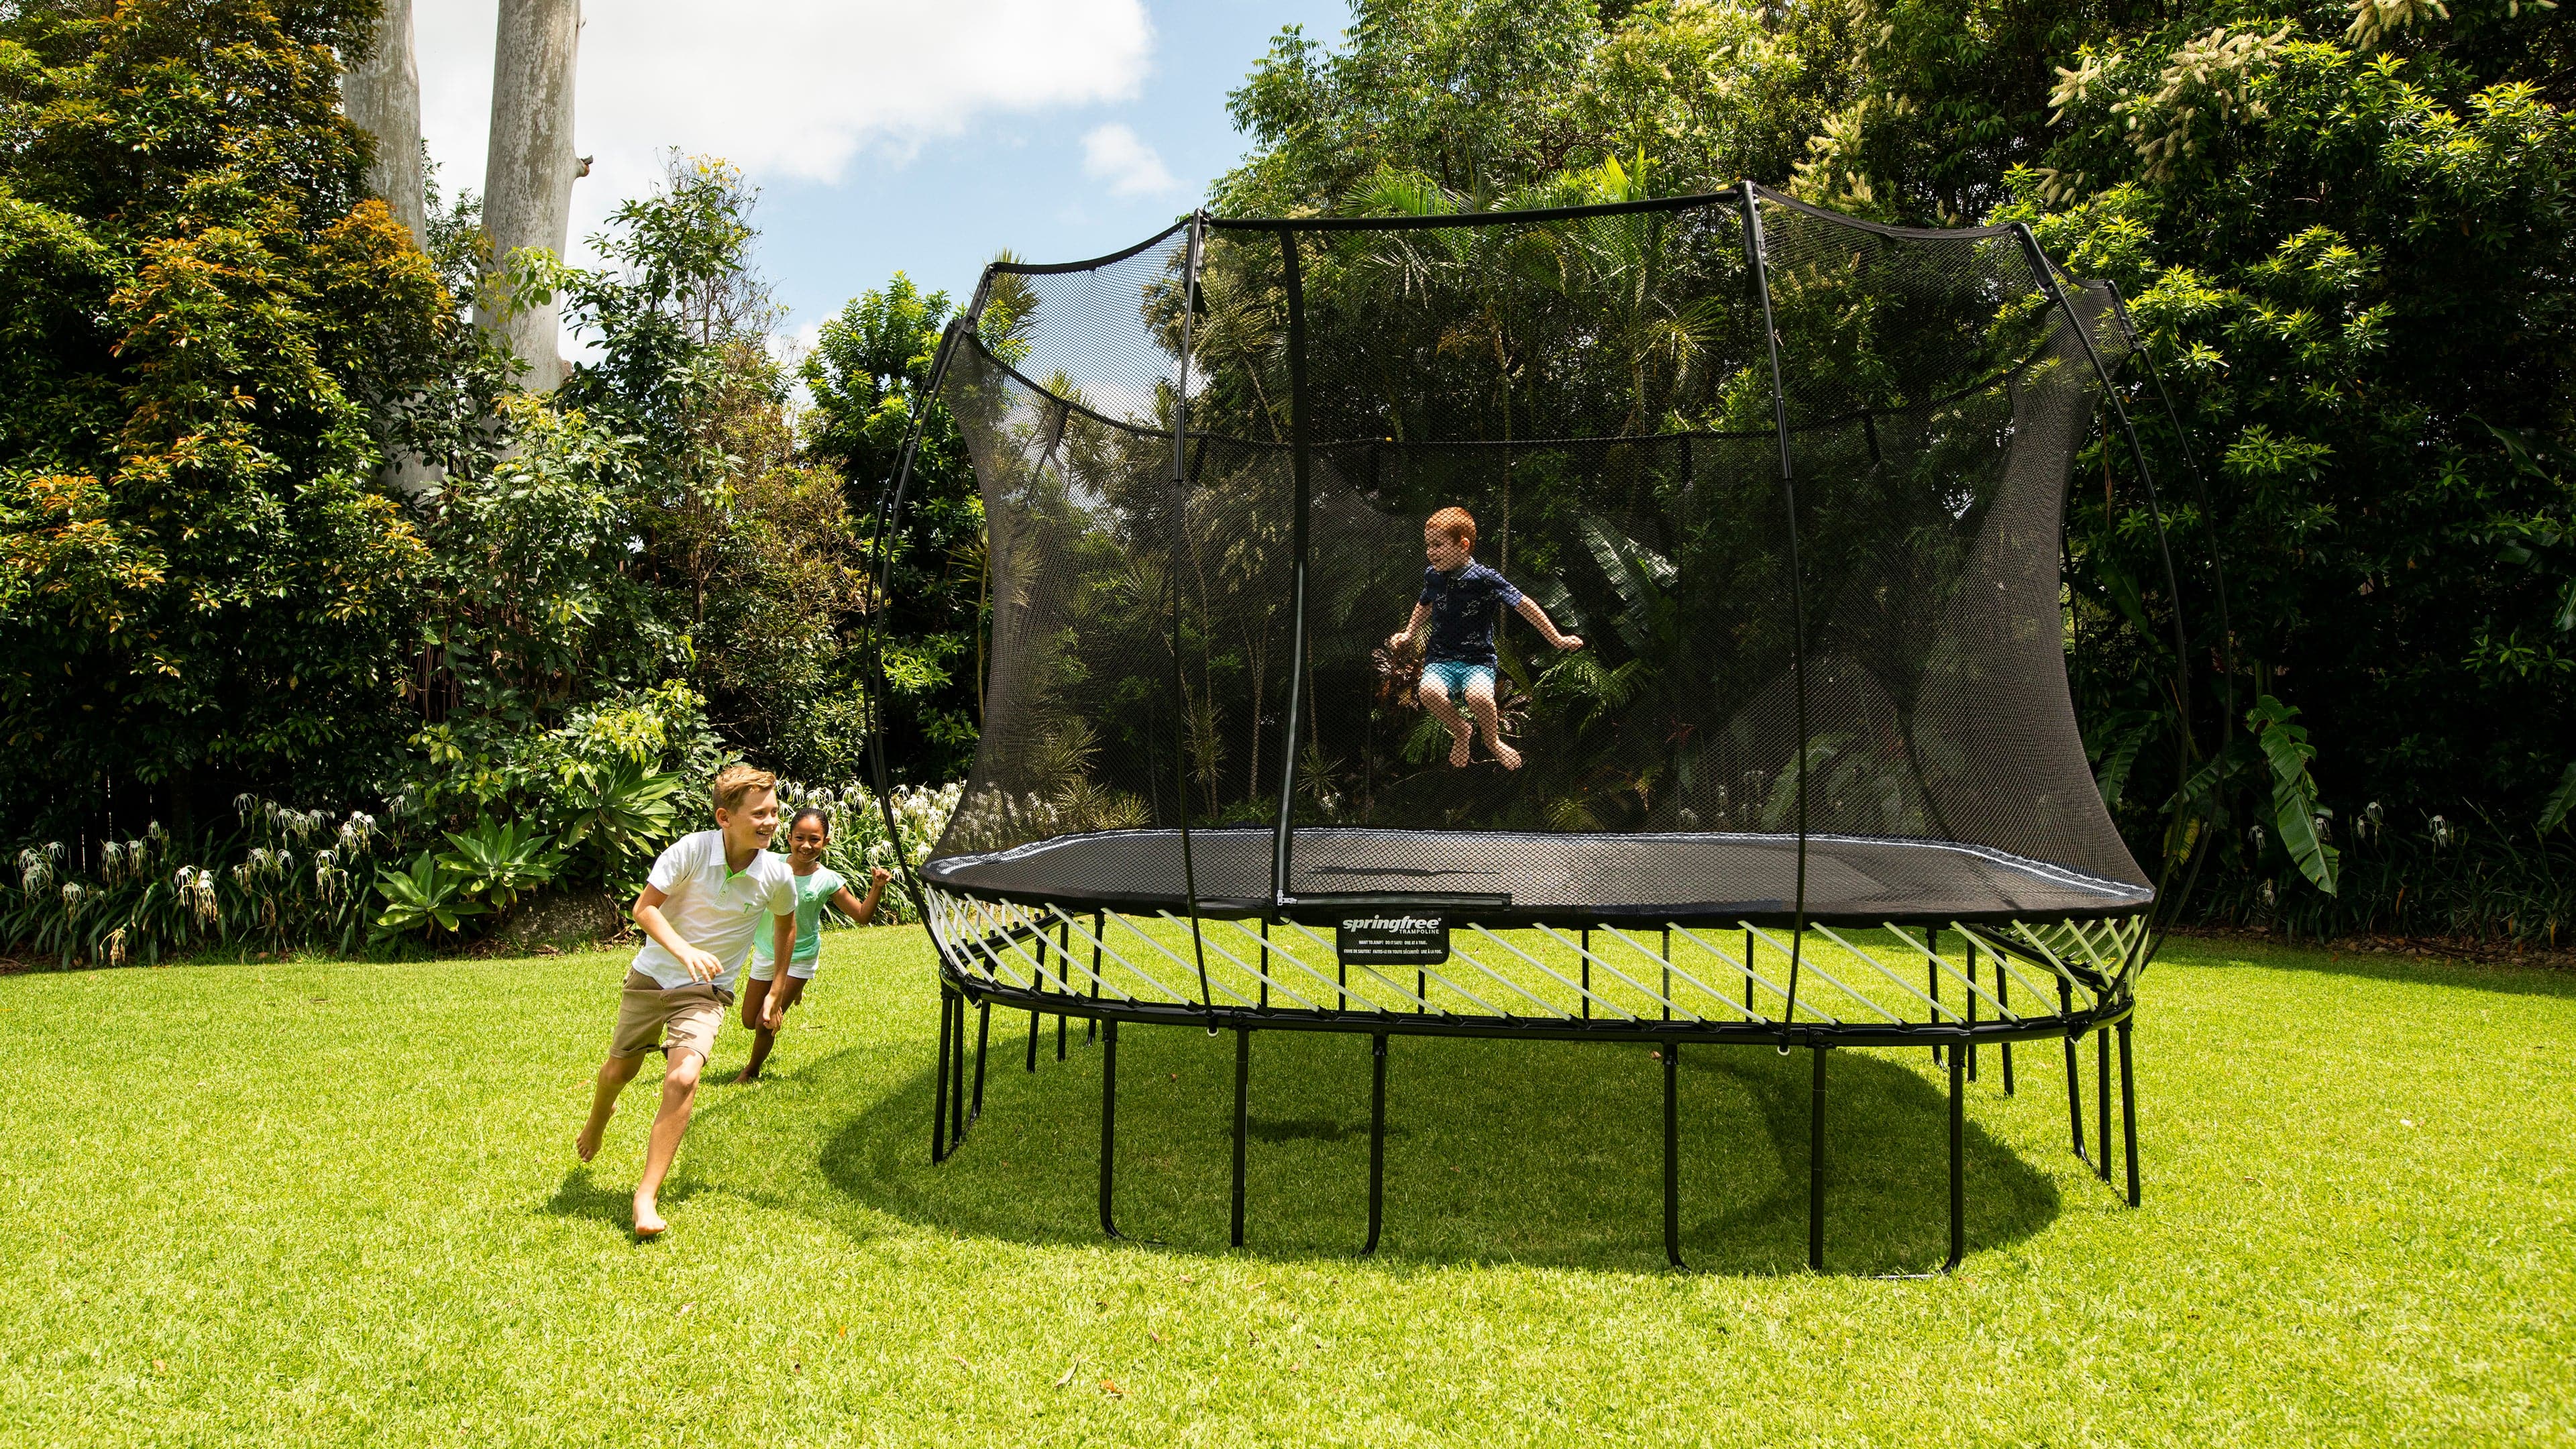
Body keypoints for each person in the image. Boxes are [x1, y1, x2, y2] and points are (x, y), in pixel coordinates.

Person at [575, 763, 797, 1238]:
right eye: (759, 813)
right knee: (618, 1072)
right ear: (724, 817)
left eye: (775, 812)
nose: (771, 822)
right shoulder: (691, 851)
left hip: (705, 991)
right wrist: (685, 950)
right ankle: (600, 1116)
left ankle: (646, 1196)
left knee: (684, 1076)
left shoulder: (776, 875)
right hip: (653, 977)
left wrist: (776, 991)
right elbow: (644, 908)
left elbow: (785, 926)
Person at [1386, 505, 1582, 769]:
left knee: (1478, 697)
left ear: (1463, 545)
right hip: (1440, 658)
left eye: (1437, 544)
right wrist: (1409, 633)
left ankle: (1492, 741)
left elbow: (1525, 605)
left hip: (1477, 660)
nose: (1430, 552)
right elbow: (1425, 604)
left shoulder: (1485, 579)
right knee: (1428, 693)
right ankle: (1462, 731)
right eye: (1428, 545)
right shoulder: (1433, 576)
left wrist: (1557, 638)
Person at [735, 807, 894, 1083]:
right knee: (749, 1019)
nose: (806, 846)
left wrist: (877, 887)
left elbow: (862, 916)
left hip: (800, 956)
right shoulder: (770, 863)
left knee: (764, 1022)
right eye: (799, 838)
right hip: (766, 951)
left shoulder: (827, 880)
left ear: (826, 842)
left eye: (814, 840)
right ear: (788, 838)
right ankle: (791, 992)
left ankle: (751, 1071)